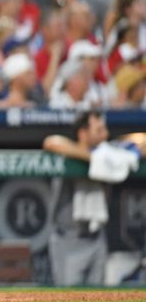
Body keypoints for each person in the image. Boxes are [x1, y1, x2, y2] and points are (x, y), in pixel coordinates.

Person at [42, 110, 144, 286]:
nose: (105, 134)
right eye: (99, 130)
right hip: (68, 240)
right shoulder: (72, 152)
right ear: (83, 133)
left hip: (96, 238)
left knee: (97, 298)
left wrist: (108, 155)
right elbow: (50, 142)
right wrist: (92, 158)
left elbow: (142, 141)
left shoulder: (107, 154)